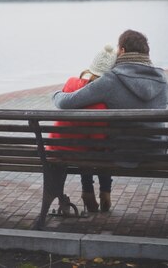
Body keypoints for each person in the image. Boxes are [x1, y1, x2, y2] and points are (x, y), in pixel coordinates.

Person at [53, 29, 168, 212]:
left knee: (94, 137)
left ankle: (90, 190)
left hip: (122, 154)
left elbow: (68, 102)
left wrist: (56, 95)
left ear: (122, 51)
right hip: (155, 151)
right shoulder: (162, 80)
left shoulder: (112, 80)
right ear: (146, 53)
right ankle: (104, 192)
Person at [49, 44, 117, 213]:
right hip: (80, 151)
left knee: (83, 147)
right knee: (98, 150)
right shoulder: (101, 104)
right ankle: (104, 192)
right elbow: (98, 142)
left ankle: (88, 191)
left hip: (56, 148)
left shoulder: (71, 82)